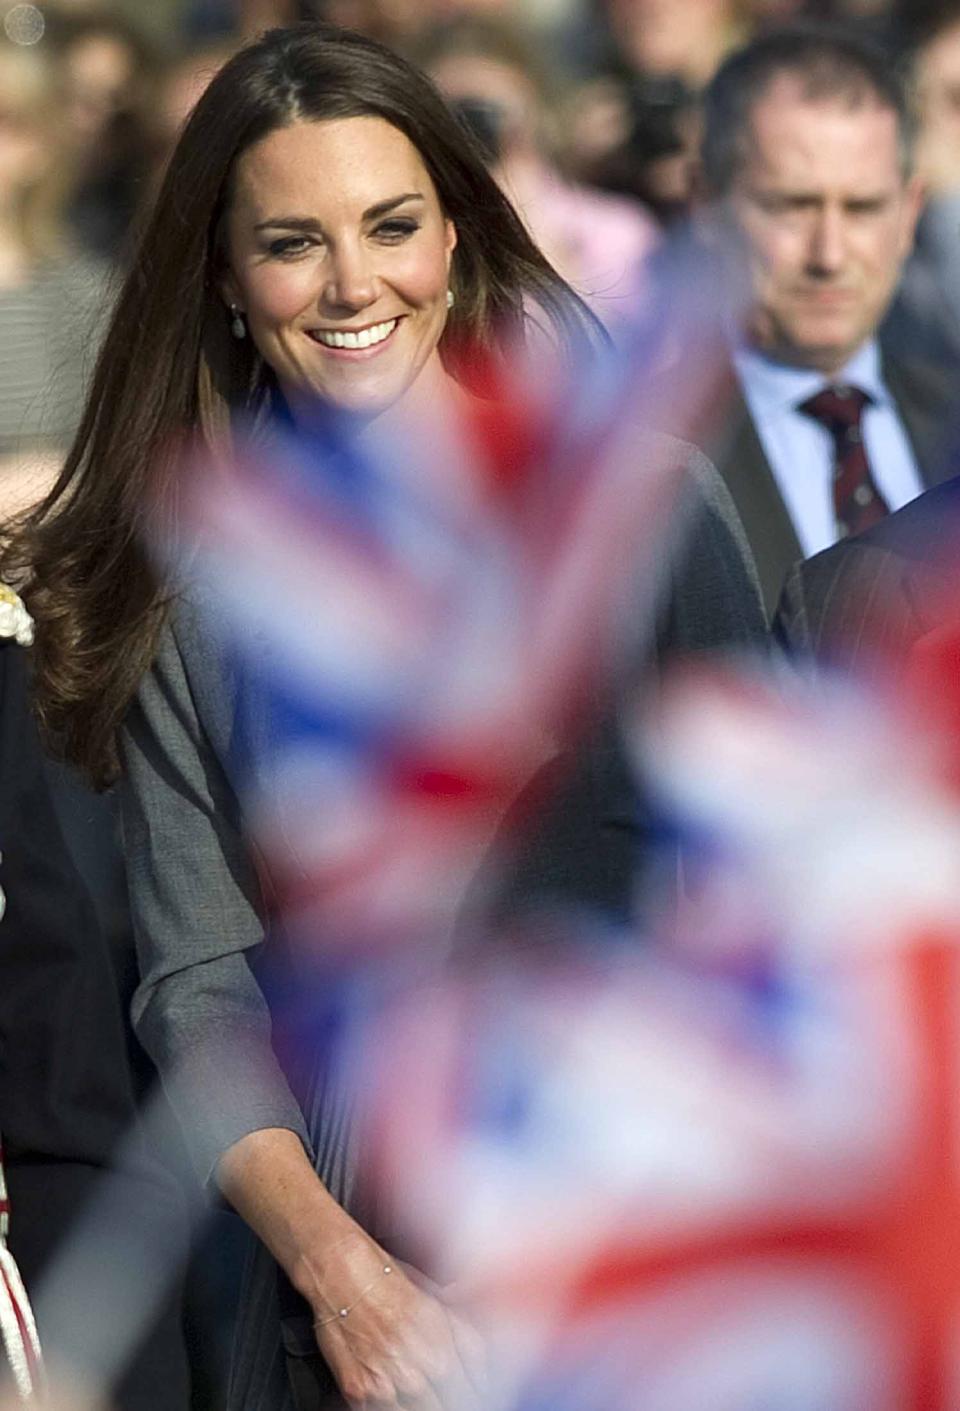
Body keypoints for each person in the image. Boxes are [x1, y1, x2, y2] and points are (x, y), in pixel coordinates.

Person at [4, 23, 763, 1409]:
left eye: (392, 225)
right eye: (293, 242)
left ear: (457, 239)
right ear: (228, 282)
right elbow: (199, 984)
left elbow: (771, 893)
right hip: (356, 1313)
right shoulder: (201, 578)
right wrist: (347, 1279)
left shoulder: (642, 510)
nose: (353, 284)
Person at [687, 22, 953, 618]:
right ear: (706, 203)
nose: (829, 255)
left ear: (910, 212)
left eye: (862, 208)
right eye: (792, 206)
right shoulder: (647, 460)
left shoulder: (955, 415)